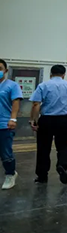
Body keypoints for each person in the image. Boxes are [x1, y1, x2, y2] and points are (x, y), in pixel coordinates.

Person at [30, 65, 67, 184]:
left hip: (46, 120)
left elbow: (36, 104)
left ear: (51, 74)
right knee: (63, 147)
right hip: (63, 120)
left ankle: (42, 176)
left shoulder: (43, 85)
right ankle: (62, 165)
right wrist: (66, 104)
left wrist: (34, 120)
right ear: (64, 75)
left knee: (43, 148)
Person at [0, 59, 23, 190]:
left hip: (4, 124)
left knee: (5, 152)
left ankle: (10, 174)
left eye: (0, 68)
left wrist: (13, 119)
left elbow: (15, 103)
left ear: (6, 70)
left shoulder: (12, 85)